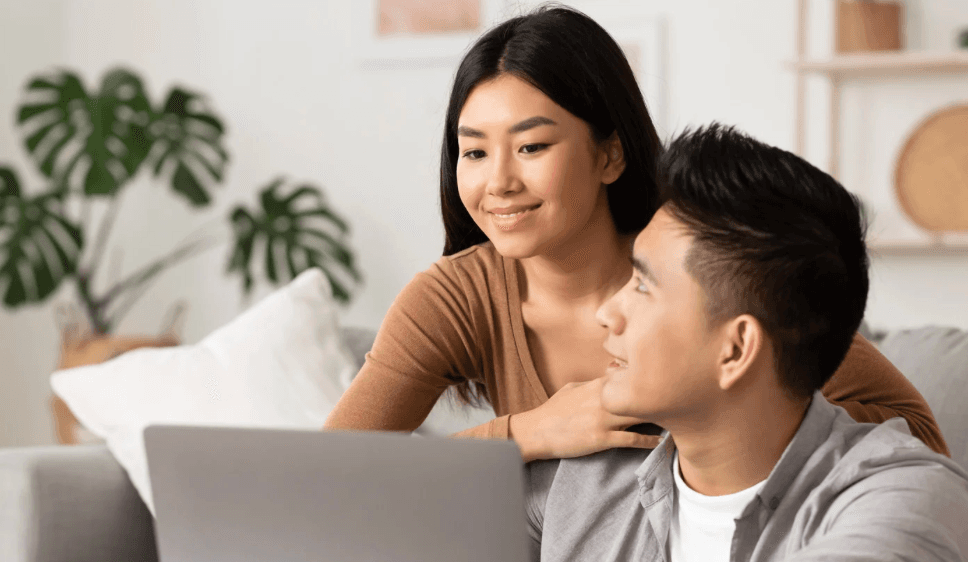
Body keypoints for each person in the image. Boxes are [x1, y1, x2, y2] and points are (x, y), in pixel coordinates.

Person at [324, 4, 948, 464]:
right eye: (474, 153)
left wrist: (718, 421)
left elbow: (918, 435)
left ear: (610, 156)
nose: (499, 182)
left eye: (532, 145)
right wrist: (529, 432)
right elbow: (330, 474)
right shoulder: (454, 300)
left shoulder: (702, 264)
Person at [518, 123, 968, 562]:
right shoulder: (593, 476)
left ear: (736, 350)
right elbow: (390, 554)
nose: (607, 312)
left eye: (644, 286)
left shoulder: (912, 500)